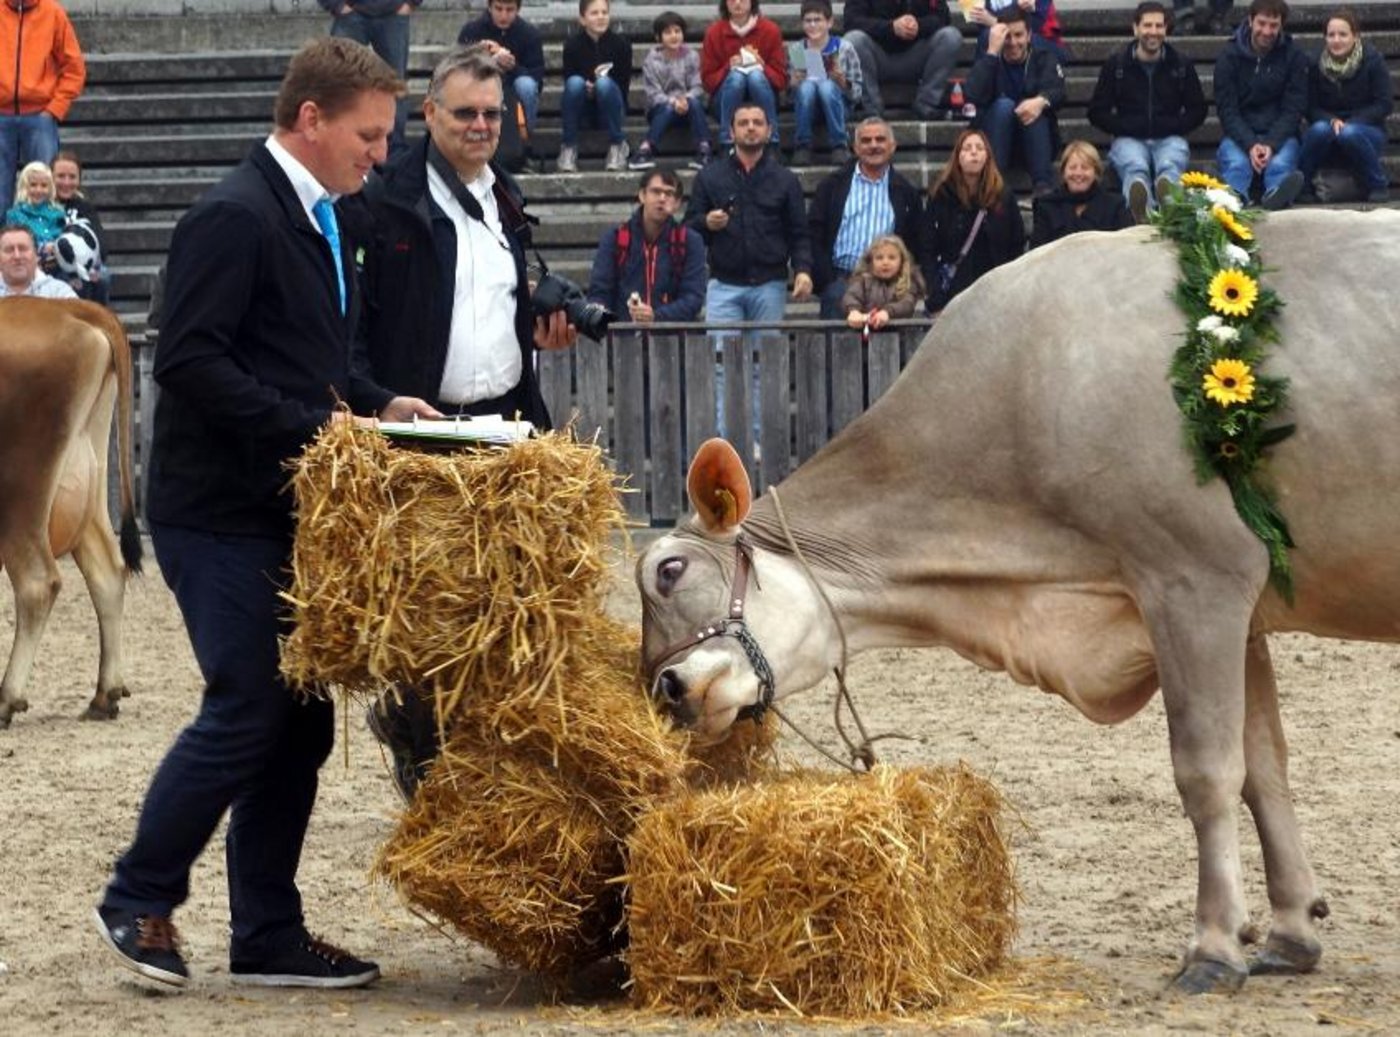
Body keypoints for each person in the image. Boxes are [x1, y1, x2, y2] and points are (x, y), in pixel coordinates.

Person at [93, 37, 439, 991]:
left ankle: (266, 937)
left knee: (299, 725)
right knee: (249, 704)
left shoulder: (325, 217)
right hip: (214, 514)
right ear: (311, 119)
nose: (379, 153)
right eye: (368, 135)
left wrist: (377, 403)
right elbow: (189, 362)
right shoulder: (233, 216)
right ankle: (137, 896)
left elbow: (311, 358)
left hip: (281, 508)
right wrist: (315, 427)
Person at [687, 102, 812, 435]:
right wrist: (706, 222)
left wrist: (803, 270)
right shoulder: (710, 175)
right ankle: (725, 438)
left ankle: (759, 439)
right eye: (744, 122)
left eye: (758, 122)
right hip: (724, 284)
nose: (751, 128)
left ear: (769, 131)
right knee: (721, 367)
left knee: (763, 365)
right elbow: (687, 228)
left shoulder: (785, 180)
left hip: (769, 284)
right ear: (732, 132)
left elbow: (799, 232)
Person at [1087, 1, 1207, 221]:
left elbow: (1198, 110)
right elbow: (1096, 111)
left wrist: (1172, 125)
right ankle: (1141, 212)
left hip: (1170, 136)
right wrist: (1126, 126)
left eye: (1159, 26)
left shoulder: (1180, 64)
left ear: (1166, 29)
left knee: (1169, 164)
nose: (1153, 32)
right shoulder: (1117, 65)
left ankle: (1169, 202)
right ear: (1135, 28)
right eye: (1147, 25)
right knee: (1135, 167)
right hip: (1129, 138)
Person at [807, 116, 921, 319]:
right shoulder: (832, 186)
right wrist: (827, 280)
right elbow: (814, 234)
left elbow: (915, 241)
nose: (873, 145)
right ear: (855, 147)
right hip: (841, 283)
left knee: (887, 351)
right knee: (838, 349)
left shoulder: (907, 192)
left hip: (890, 287)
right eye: (866, 141)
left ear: (892, 146)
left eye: (880, 139)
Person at [917, 127, 1024, 312]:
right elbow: (927, 246)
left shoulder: (1003, 196)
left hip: (994, 291)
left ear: (987, 156)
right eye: (967, 148)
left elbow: (1016, 243)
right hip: (953, 293)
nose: (973, 152)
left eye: (979, 148)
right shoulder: (942, 195)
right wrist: (935, 288)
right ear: (957, 157)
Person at [1213, 0, 1308, 209]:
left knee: (1281, 164)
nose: (1267, 31)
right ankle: (1234, 198)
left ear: (1281, 25)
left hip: (1280, 135)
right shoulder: (1228, 57)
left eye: (1273, 25)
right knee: (1237, 164)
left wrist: (1271, 144)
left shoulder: (1294, 56)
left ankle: (1276, 195)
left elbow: (1293, 109)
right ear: (1250, 20)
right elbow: (1227, 110)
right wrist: (1250, 144)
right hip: (1240, 135)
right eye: (1262, 23)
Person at [966, 6, 1066, 198]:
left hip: (1034, 141)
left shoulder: (1043, 55)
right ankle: (994, 187)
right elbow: (972, 95)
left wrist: (1040, 101)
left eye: (1019, 35)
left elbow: (1059, 91)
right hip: (996, 141)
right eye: (1007, 36)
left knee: (1033, 107)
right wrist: (992, 52)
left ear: (1029, 35)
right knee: (1004, 107)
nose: (1013, 42)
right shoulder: (990, 56)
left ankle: (1043, 188)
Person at [587, 168, 707, 323]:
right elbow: (599, 292)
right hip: (623, 339)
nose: (662, 198)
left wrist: (656, 316)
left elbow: (693, 298)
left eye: (669, 194)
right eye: (656, 192)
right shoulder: (615, 239)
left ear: (677, 203)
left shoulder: (690, 241)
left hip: (673, 339)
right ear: (642, 195)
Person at [1298, 6, 1391, 203]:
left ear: (1355, 36)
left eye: (1343, 34)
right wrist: (1331, 120)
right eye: (1331, 35)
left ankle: (1378, 185)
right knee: (1318, 131)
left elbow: (1384, 104)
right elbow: (1310, 107)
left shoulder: (1372, 61)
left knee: (1350, 133)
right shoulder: (1314, 64)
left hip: (1366, 130)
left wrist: (1352, 122)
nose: (1336, 40)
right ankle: (1303, 187)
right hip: (1329, 127)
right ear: (1325, 38)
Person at [0, 0, 85, 213]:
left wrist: (53, 110)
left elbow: (74, 69)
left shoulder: (53, 13)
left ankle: (44, 244)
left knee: (45, 195)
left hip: (40, 117)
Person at [319, 0, 419, 156]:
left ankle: (394, 149)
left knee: (395, 84)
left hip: (393, 14)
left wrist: (410, 3)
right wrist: (337, 5)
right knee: (337, 80)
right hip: (350, 14)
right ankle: (338, 141)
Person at [457, 0, 546, 169]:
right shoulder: (472, 30)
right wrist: (483, 60)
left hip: (514, 93)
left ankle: (522, 143)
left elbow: (537, 79)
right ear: (489, 6)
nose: (503, 15)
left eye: (509, 10)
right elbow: (458, 71)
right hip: (480, 89)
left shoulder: (529, 34)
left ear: (518, 9)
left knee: (527, 85)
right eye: (498, 9)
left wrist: (513, 67)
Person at [841, 0, 962, 120]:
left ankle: (926, 105)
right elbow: (852, 22)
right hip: (875, 58)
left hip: (916, 58)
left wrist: (919, 25)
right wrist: (891, 27)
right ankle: (872, 110)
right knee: (853, 40)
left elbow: (943, 18)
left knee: (951, 37)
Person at [700, 0, 787, 152]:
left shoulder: (770, 30)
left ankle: (772, 140)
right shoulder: (714, 32)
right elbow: (707, 83)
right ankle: (726, 141)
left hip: (763, 96)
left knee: (755, 76)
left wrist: (762, 66)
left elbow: (781, 81)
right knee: (737, 77)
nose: (738, 3)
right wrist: (728, 67)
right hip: (724, 100)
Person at [558, 0, 634, 172]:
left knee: (605, 84)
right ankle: (569, 147)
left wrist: (600, 87)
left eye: (604, 12)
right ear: (583, 19)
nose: (601, 17)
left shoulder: (621, 45)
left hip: (610, 109)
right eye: (594, 13)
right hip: (583, 110)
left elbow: (623, 87)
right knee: (575, 83)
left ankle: (617, 145)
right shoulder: (572, 45)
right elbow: (569, 83)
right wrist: (587, 87)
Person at [633, 11, 712, 171]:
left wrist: (685, 99)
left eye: (677, 31)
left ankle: (704, 149)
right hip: (661, 109)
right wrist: (673, 101)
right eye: (668, 32)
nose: (674, 36)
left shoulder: (692, 56)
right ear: (658, 37)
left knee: (695, 103)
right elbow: (653, 93)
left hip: (688, 108)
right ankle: (646, 149)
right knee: (668, 108)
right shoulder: (651, 61)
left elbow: (698, 86)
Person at [787, 0, 863, 166]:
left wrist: (843, 81)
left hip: (838, 105)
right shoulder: (798, 50)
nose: (813, 25)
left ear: (829, 22)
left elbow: (857, 93)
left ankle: (839, 145)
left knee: (827, 87)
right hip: (809, 107)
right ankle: (803, 145)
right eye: (808, 21)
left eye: (818, 20)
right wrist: (794, 83)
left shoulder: (844, 48)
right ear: (802, 24)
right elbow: (792, 99)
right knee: (807, 87)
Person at [1029, 140, 1133, 248]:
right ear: (1064, 172)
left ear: (1096, 173)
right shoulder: (1047, 206)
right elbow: (1036, 251)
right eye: (1072, 168)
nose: (1078, 173)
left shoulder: (1115, 205)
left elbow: (1125, 247)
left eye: (1085, 168)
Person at [49, 149, 108, 302]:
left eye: (72, 177)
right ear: (50, 177)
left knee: (103, 277)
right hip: (51, 266)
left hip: (83, 265)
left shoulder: (85, 207)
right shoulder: (42, 205)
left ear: (79, 180)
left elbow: (102, 246)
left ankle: (98, 322)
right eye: (61, 176)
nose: (66, 182)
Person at [841, 233, 925, 329]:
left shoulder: (909, 283)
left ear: (902, 261)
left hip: (898, 335)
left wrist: (887, 312)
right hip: (865, 334)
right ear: (870, 261)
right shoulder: (862, 280)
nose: (885, 262)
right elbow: (851, 296)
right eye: (879, 258)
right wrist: (854, 311)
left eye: (892, 258)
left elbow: (906, 304)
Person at [968, 0, 1069, 61]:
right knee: (988, 36)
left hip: (1045, 44)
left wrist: (995, 21)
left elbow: (1034, 27)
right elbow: (978, 20)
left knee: (991, 35)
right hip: (1002, 48)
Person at [0, 222, 75, 297]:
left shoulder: (59, 292)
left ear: (36, 256)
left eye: (23, 249)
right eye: (9, 250)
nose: (17, 256)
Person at [4, 160, 66, 249]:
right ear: (24, 186)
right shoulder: (15, 215)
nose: (38, 190)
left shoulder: (58, 213)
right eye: (33, 185)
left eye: (44, 185)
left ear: (50, 188)